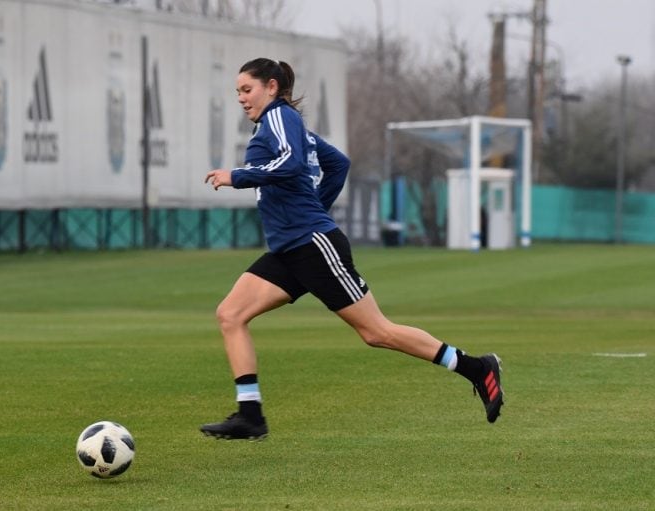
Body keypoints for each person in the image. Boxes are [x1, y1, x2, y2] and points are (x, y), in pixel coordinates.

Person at [201, 58, 503, 440]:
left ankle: (477, 368)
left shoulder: (280, 117)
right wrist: (313, 206)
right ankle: (250, 415)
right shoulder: (279, 126)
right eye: (238, 92)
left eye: (247, 89)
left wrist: (239, 177)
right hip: (289, 249)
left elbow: (292, 164)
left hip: (311, 245)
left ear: (272, 87)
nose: (241, 99)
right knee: (230, 314)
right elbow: (338, 164)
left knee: (377, 332)